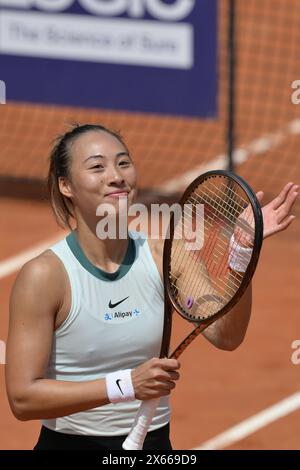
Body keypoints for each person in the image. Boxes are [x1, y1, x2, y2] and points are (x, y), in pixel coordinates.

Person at [5, 124, 299, 450]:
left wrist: (242, 253)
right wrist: (126, 385)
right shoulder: (45, 276)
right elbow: (23, 398)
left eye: (123, 162)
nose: (116, 176)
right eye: (97, 167)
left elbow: (226, 335)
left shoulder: (164, 255)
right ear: (66, 185)